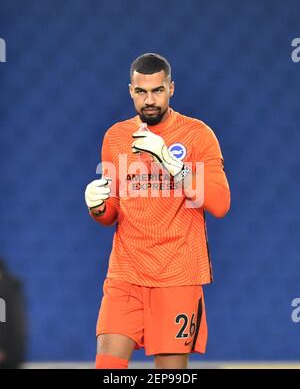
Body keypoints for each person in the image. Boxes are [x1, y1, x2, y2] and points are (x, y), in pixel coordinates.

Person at [85, 53, 230, 369]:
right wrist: (96, 205)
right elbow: (110, 213)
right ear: (131, 91)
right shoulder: (116, 137)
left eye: (157, 91)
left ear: (171, 89)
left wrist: (170, 162)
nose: (149, 100)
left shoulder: (197, 135)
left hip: (177, 277)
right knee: (107, 368)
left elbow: (220, 203)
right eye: (141, 91)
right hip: (126, 275)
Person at [0, 259, 26, 368]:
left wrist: (2, 347)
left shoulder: (5, 292)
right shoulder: (13, 289)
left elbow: (4, 322)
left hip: (6, 355)